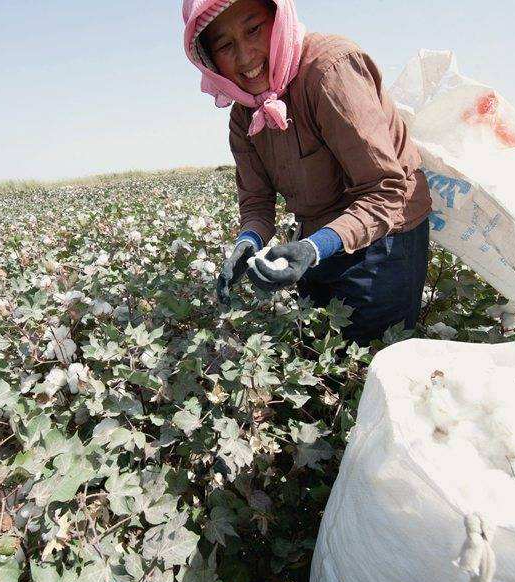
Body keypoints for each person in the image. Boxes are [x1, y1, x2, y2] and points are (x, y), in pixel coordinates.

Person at [182, 0, 433, 346]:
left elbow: (386, 191)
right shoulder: (244, 116)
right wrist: (247, 242)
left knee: (368, 360)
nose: (245, 56)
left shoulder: (331, 71)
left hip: (386, 237)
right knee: (322, 356)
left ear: (279, 19)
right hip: (317, 239)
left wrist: (313, 248)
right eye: (225, 45)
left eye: (254, 29)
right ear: (209, 60)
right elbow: (257, 201)